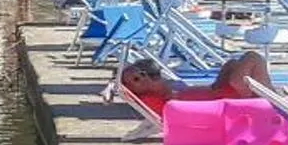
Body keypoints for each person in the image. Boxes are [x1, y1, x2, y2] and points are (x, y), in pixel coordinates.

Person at [116, 50, 273, 114]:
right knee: (253, 57)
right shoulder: (159, 96)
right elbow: (178, 107)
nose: (142, 77)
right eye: (136, 79)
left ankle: (269, 98)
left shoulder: (158, 87)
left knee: (232, 63)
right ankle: (271, 102)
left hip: (216, 92)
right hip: (225, 102)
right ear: (134, 90)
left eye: (142, 73)